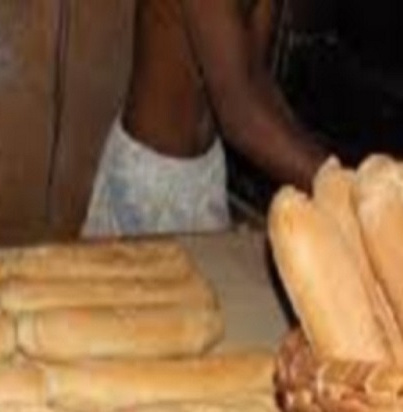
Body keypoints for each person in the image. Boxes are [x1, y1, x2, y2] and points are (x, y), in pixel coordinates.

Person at [83, 0, 328, 237]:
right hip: (148, 182)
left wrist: (328, 168)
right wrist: (332, 180)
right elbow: (239, 116)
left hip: (207, 169)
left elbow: (256, 82)